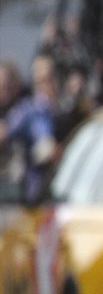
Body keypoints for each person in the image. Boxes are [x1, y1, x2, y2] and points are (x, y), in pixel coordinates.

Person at [0, 55, 59, 202]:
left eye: (47, 79)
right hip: (37, 193)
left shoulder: (66, 108)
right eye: (38, 81)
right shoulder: (28, 110)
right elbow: (5, 131)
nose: (43, 86)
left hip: (66, 191)